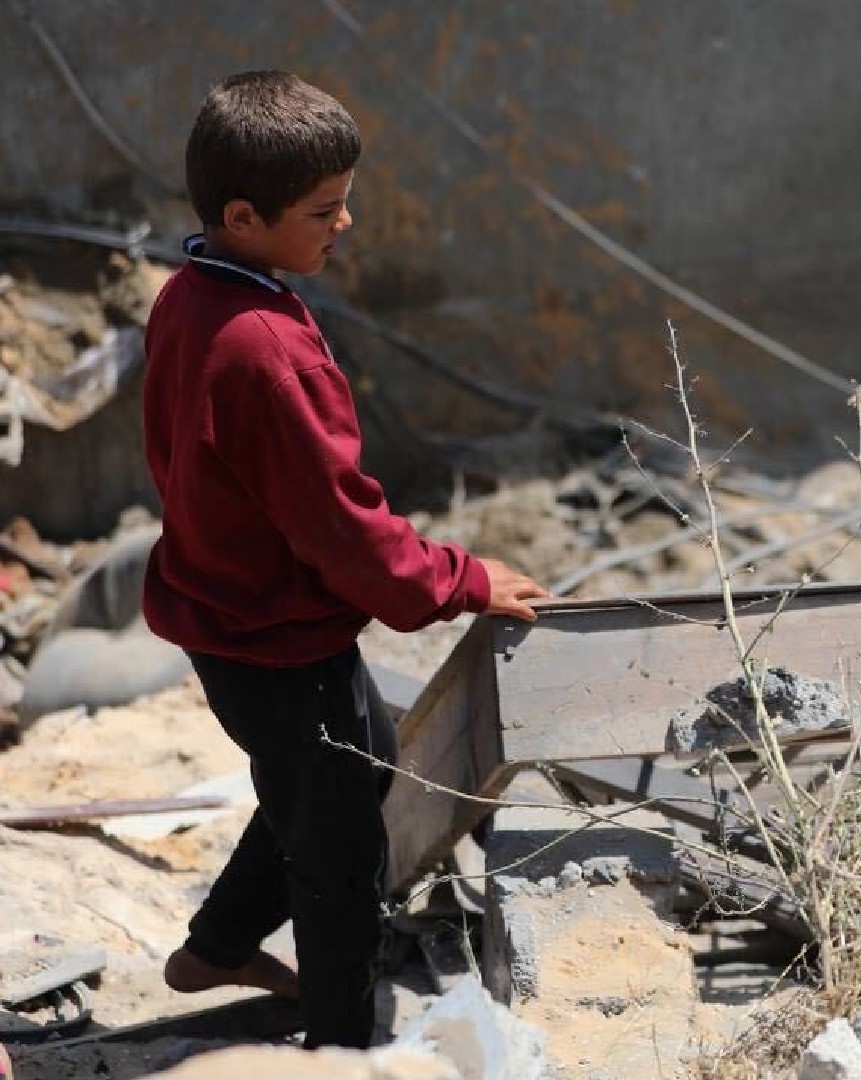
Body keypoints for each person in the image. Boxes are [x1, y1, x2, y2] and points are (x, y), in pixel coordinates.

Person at [142, 70, 549, 1048]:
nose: (347, 222)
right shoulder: (263, 349)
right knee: (343, 865)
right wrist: (462, 579)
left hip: (227, 611)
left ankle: (218, 947)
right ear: (244, 215)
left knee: (344, 776)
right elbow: (340, 527)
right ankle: (340, 1047)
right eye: (324, 210)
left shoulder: (194, 296)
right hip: (279, 643)